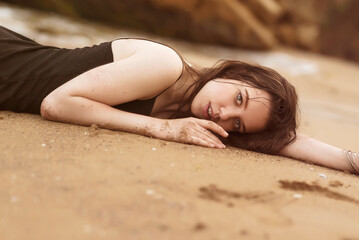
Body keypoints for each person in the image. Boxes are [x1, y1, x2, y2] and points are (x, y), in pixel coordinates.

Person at [0, 25, 358, 175]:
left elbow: (284, 140)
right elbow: (57, 103)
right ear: (235, 74)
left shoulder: (188, 111)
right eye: (238, 97)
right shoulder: (164, 66)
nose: (224, 114)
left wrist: (349, 161)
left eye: (236, 123)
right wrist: (162, 129)